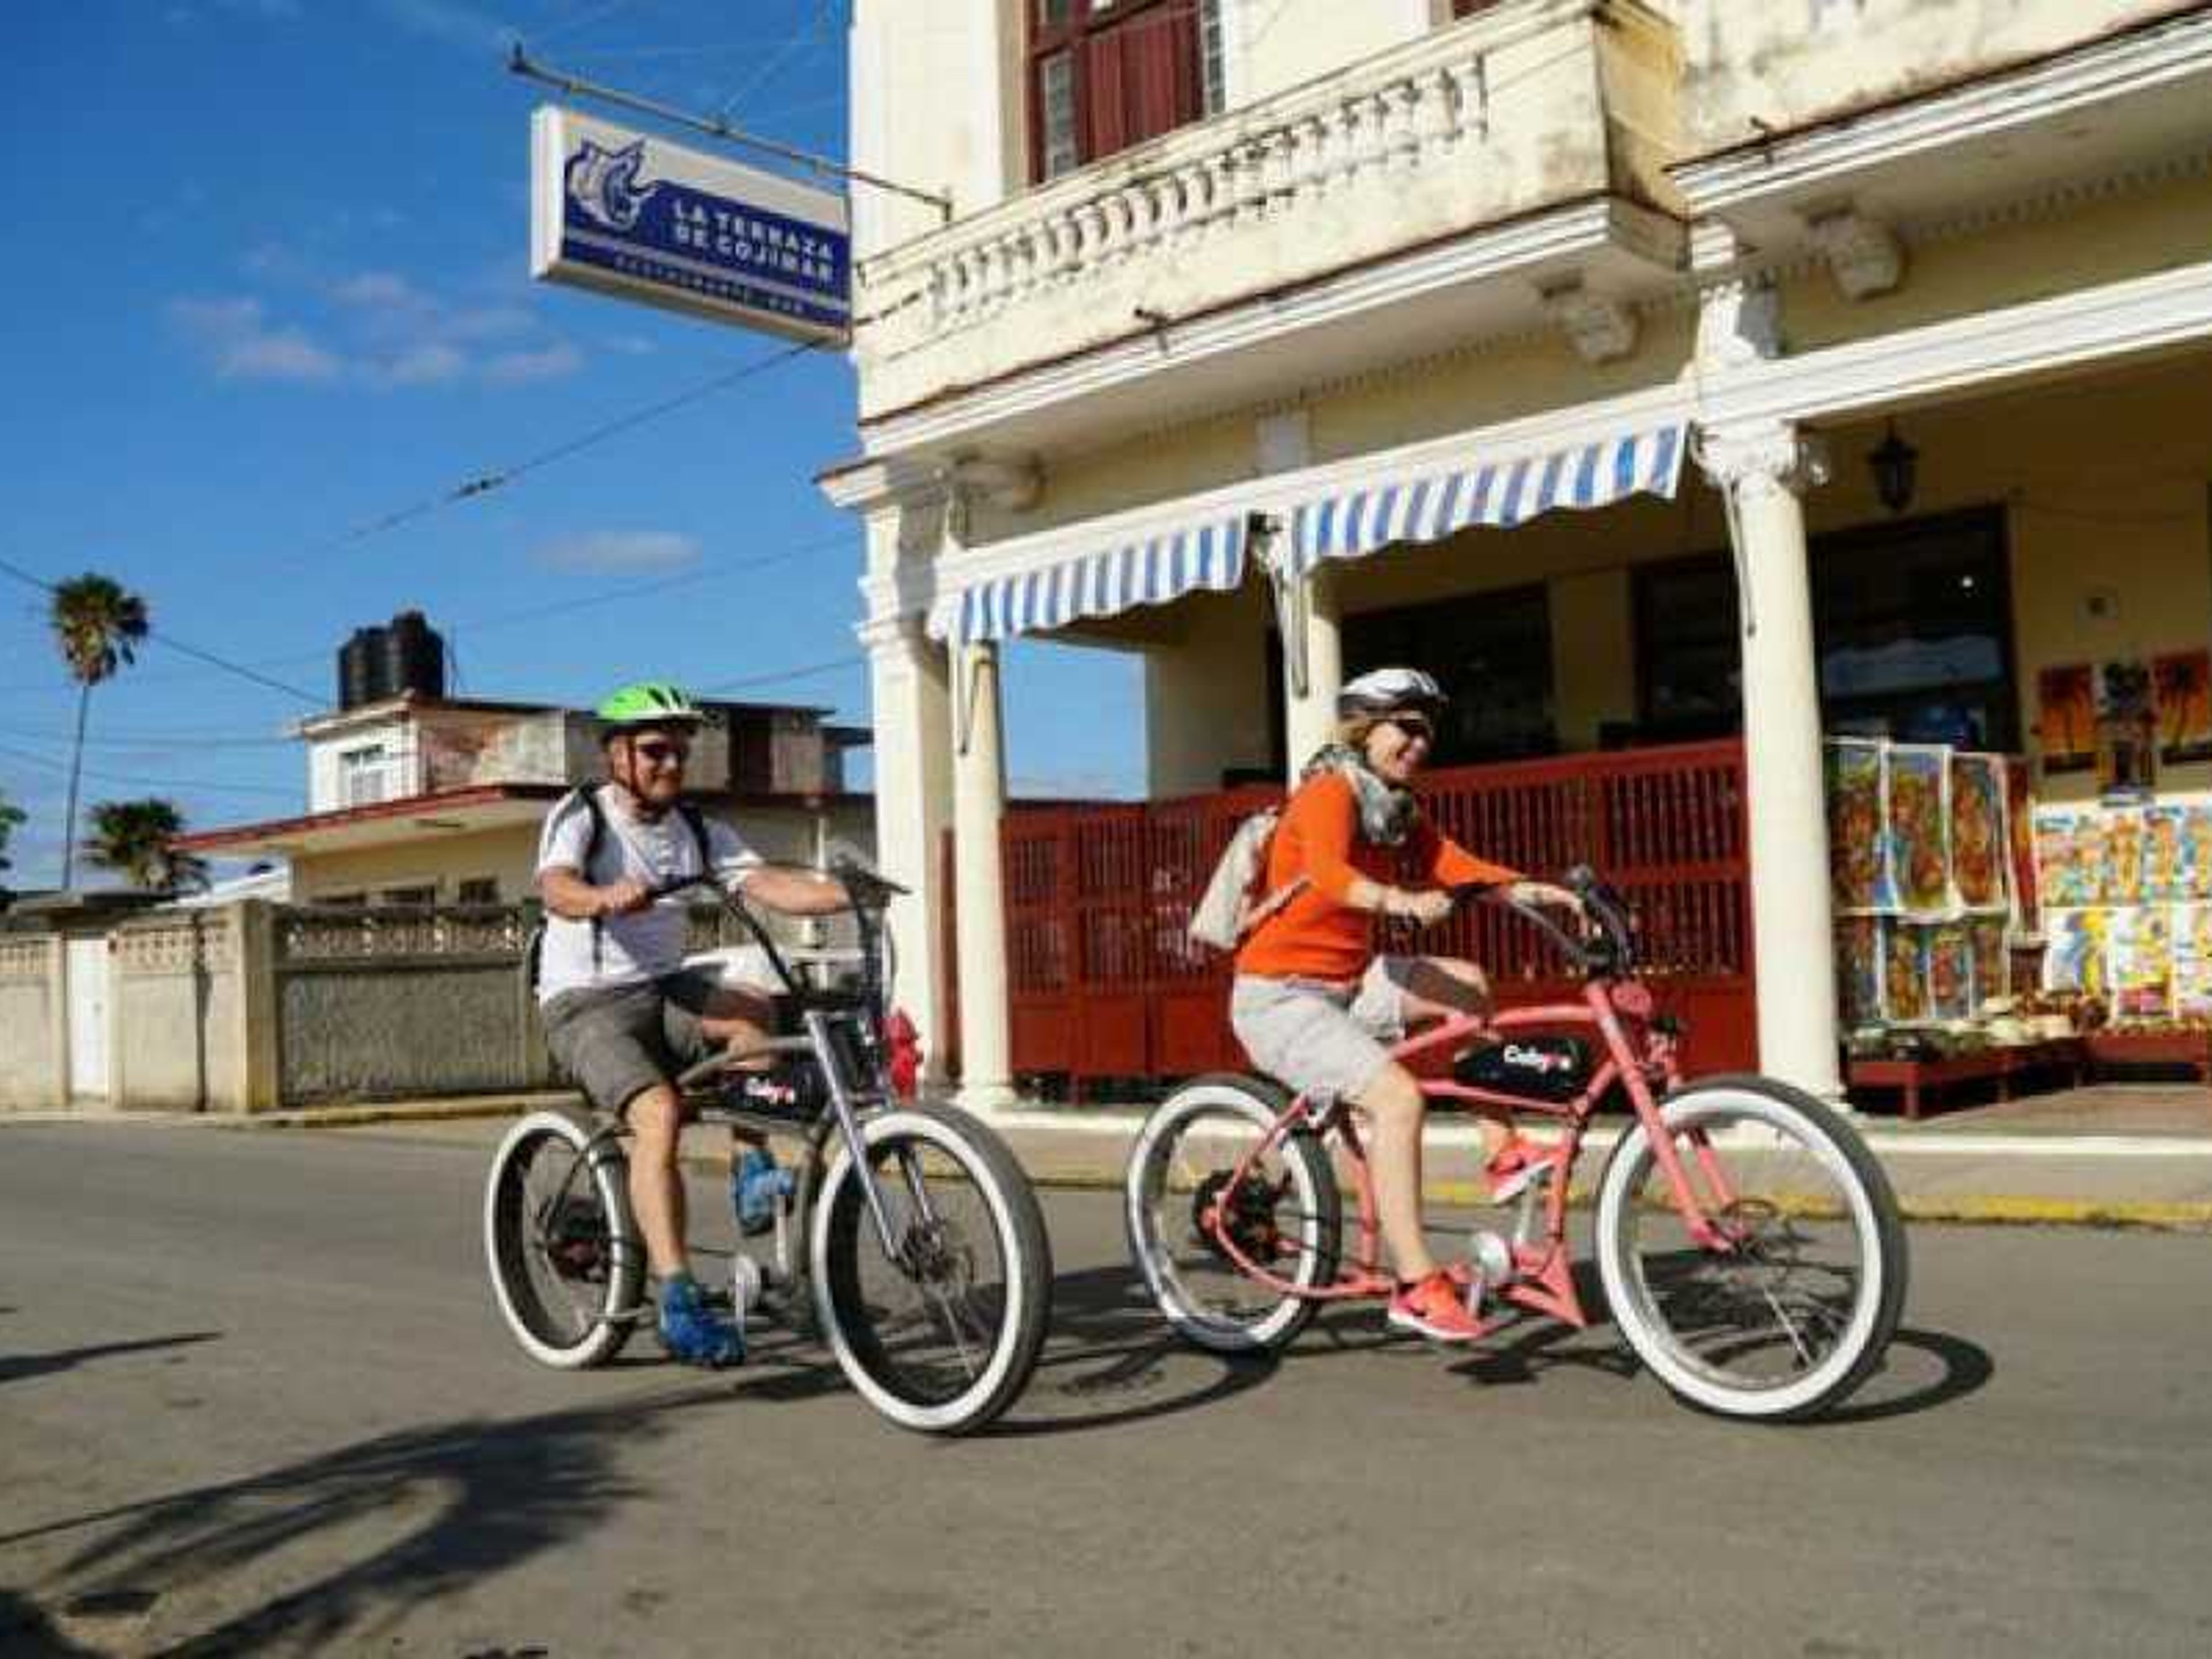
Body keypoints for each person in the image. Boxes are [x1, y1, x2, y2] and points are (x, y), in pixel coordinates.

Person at [1230, 667, 1585, 1344]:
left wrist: (1544, 894)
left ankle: (1501, 1147)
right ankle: (1418, 1285)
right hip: (1278, 997)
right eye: (1408, 728)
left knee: (1467, 982)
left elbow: (1457, 865)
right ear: (1365, 730)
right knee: (1397, 1100)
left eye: (1429, 732)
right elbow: (1333, 876)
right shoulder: (1329, 793)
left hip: (1348, 983)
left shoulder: (1392, 809)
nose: (1421, 744)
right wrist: (1398, 902)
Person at [535, 681, 849, 1368]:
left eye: (679, 753)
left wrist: (846, 893)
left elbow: (765, 883)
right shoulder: (583, 815)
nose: (670, 766)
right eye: (654, 752)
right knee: (660, 1113)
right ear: (617, 755)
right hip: (584, 1003)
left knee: (752, 1009)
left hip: (662, 991)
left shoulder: (697, 830)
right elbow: (554, 886)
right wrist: (600, 897)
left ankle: (750, 1171)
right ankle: (678, 1300)